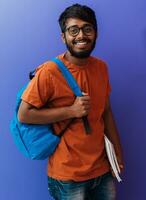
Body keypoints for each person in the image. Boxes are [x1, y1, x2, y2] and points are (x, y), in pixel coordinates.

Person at [18, 3, 124, 200]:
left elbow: (106, 111)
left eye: (87, 29)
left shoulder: (101, 67)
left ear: (96, 33)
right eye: (73, 30)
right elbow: (24, 114)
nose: (81, 35)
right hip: (67, 176)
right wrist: (71, 111)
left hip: (102, 169)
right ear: (63, 36)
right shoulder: (50, 71)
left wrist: (117, 151)